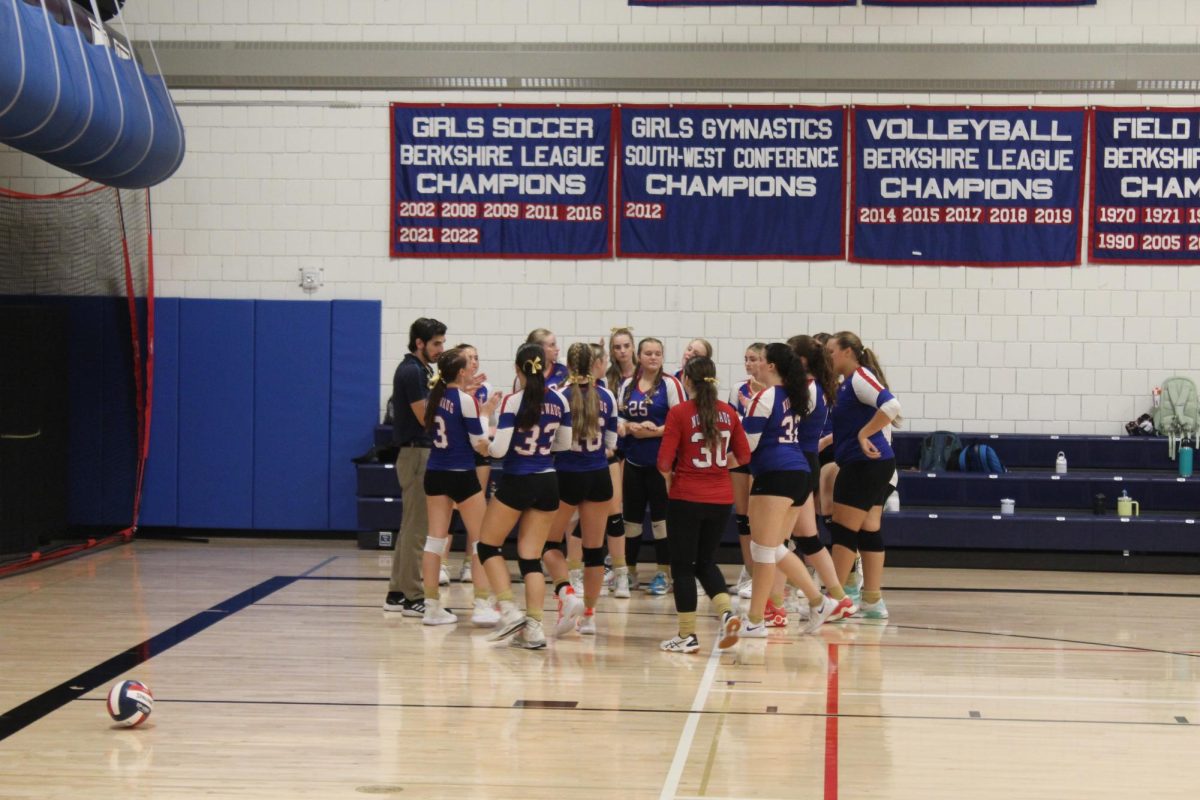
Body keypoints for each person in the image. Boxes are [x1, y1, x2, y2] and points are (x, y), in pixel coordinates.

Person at [736, 343, 852, 642]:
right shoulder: (797, 396)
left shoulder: (766, 396)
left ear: (772, 365)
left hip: (776, 474)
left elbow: (746, 444)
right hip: (798, 473)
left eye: (760, 360)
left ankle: (756, 619)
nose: (756, 365)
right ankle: (819, 601)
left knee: (763, 549)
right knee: (773, 548)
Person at [477, 343, 573, 650]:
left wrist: (485, 448)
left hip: (518, 479)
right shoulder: (560, 400)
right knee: (531, 557)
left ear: (518, 369)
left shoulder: (513, 401)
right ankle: (534, 627)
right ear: (546, 367)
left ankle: (509, 610)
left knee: (487, 545)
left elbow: (499, 450)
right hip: (548, 482)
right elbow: (564, 444)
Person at [657, 356, 747, 653]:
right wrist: (720, 468)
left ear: (687, 381)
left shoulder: (680, 413)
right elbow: (745, 456)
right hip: (721, 499)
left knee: (682, 567)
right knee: (706, 562)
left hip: (686, 497)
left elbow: (663, 462)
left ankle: (687, 635)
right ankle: (727, 614)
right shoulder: (729, 413)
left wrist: (672, 478)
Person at [772, 335, 856, 625]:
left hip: (796, 463)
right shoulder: (815, 386)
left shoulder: (804, 390)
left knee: (778, 541)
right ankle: (839, 597)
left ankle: (776, 606)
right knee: (806, 538)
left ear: (802, 360)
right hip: (805, 462)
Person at [421, 348, 501, 626]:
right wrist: (488, 418)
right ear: (461, 372)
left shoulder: (435, 396)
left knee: (435, 539)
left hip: (435, 472)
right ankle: (481, 604)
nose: (472, 368)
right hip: (461, 473)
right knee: (481, 539)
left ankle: (431, 607)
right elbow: (477, 439)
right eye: (469, 365)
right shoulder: (465, 399)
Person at [825, 332, 902, 621]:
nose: (828, 357)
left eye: (831, 351)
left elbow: (892, 406)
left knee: (844, 531)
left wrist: (864, 433)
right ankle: (872, 600)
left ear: (848, 352)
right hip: (868, 464)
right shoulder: (847, 384)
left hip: (866, 463)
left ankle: (836, 600)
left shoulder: (860, 376)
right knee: (868, 529)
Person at [545, 342, 618, 636]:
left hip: (566, 475)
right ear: (594, 364)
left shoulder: (558, 396)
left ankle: (568, 597)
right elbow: (612, 444)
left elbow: (555, 443)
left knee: (549, 545)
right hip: (599, 474)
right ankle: (589, 616)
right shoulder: (608, 395)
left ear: (569, 365)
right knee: (594, 551)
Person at [383, 317, 446, 617]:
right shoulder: (411, 371)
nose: (440, 349)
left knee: (410, 526)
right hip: (416, 454)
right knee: (417, 528)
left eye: (442, 342)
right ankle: (412, 595)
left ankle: (397, 592)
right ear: (419, 343)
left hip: (418, 454)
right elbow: (426, 418)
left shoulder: (422, 369)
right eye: (436, 343)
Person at [618, 337, 685, 595]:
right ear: (639, 356)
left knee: (661, 521)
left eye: (658, 353)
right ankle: (629, 572)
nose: (653, 357)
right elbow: (618, 417)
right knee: (631, 521)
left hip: (661, 462)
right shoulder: (627, 384)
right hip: (634, 460)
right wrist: (628, 426)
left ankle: (663, 573)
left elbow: (682, 421)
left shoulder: (670, 384)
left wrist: (656, 431)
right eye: (648, 353)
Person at [455, 343, 495, 587]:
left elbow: (491, 424)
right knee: (450, 509)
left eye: (476, 357)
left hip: (479, 453)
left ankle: (470, 563)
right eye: (469, 358)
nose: (474, 362)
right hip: (457, 453)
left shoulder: (486, 388)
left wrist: (489, 427)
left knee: (475, 510)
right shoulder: (449, 389)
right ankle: (442, 566)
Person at [730, 342, 767, 600]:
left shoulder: (773, 390)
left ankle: (767, 577)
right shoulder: (737, 388)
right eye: (746, 359)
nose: (749, 364)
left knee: (760, 519)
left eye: (753, 359)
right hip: (742, 455)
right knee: (742, 517)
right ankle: (749, 570)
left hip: (763, 456)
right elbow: (733, 423)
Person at [605, 327, 636, 597]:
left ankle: (625, 567)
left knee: (621, 507)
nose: (622, 351)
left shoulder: (642, 376)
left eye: (626, 346)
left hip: (635, 445)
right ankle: (610, 562)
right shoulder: (608, 378)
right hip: (611, 445)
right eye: (617, 347)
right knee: (609, 506)